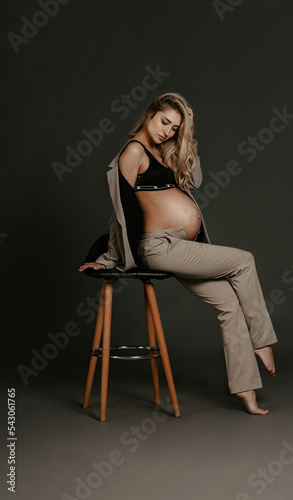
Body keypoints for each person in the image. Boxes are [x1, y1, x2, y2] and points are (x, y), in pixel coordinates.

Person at [79, 92, 278, 415]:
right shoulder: (133, 151)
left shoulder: (163, 152)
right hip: (158, 247)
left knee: (229, 303)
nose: (166, 131)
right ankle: (262, 341)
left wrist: (188, 137)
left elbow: (195, 179)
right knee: (244, 260)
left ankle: (246, 390)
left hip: (183, 247)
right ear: (149, 115)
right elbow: (121, 212)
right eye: (164, 122)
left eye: (174, 128)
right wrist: (107, 257)